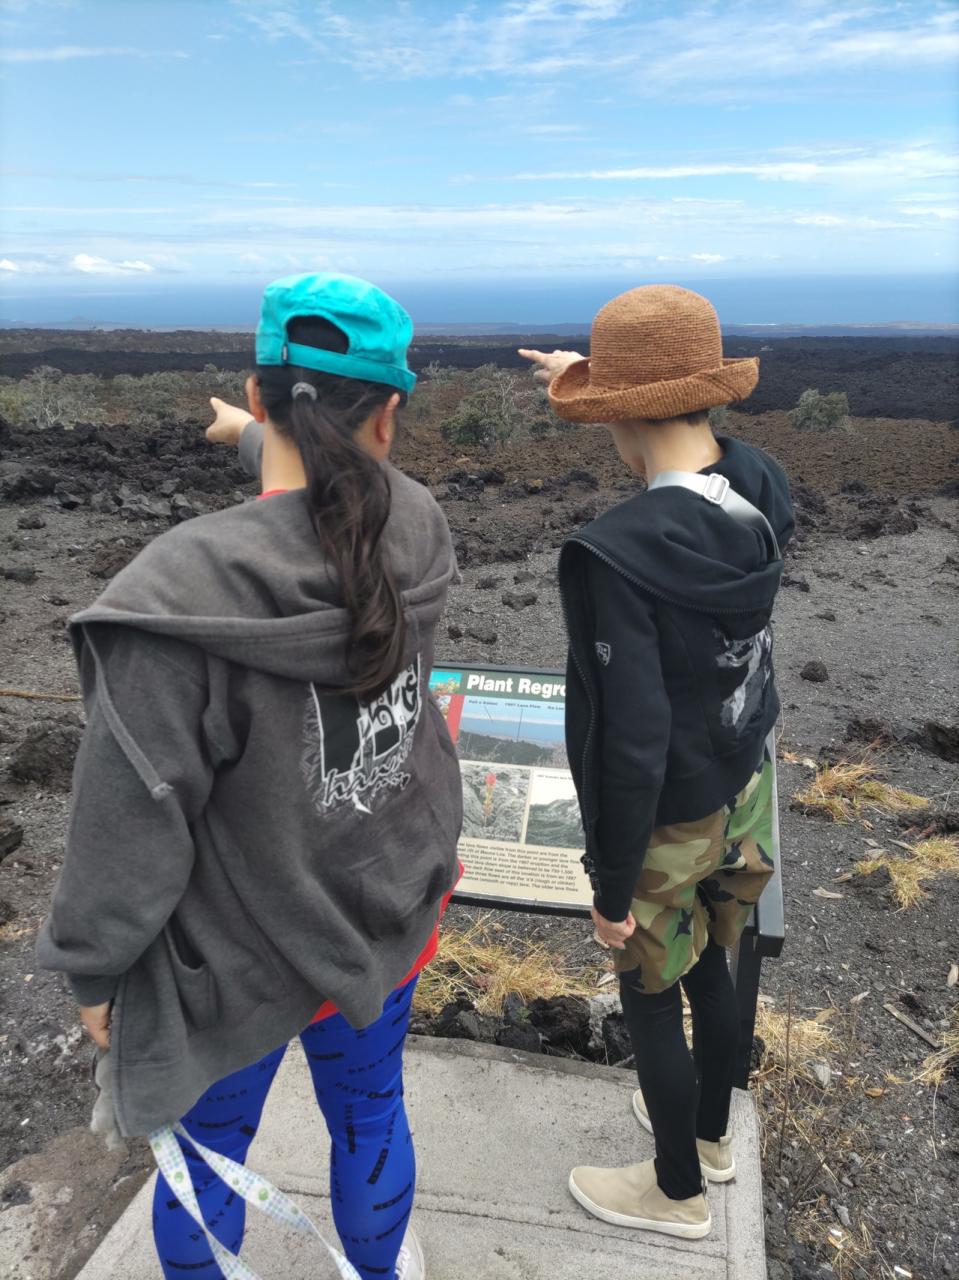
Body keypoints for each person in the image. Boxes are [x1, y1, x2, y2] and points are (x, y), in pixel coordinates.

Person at [37, 272, 464, 1280]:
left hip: (235, 965)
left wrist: (95, 968)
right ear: (389, 416)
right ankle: (377, 1267)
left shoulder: (174, 597)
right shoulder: (418, 525)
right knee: (370, 1112)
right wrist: (257, 438)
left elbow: (126, 819)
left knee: (209, 1154)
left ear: (256, 390)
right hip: (387, 912)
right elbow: (333, 495)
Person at [521, 285, 794, 1240]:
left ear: (624, 417)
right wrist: (597, 382)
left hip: (664, 812)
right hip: (741, 780)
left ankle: (675, 1191)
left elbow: (627, 740)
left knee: (647, 988)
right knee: (713, 955)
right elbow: (695, 461)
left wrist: (608, 886)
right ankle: (711, 1138)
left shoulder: (614, 554)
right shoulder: (758, 482)